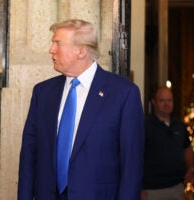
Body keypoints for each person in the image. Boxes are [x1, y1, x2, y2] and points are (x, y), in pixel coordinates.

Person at [18, 19, 145, 200]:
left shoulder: (123, 94)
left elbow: (131, 165)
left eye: (58, 43)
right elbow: (29, 156)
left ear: (81, 51)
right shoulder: (43, 93)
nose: (51, 49)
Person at [142, 86, 193, 200]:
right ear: (154, 102)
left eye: (169, 100)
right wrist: (139, 189)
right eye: (162, 100)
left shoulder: (179, 125)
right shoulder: (145, 126)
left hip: (177, 188)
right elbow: (135, 157)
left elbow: (187, 148)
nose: (167, 104)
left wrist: (190, 169)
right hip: (152, 191)